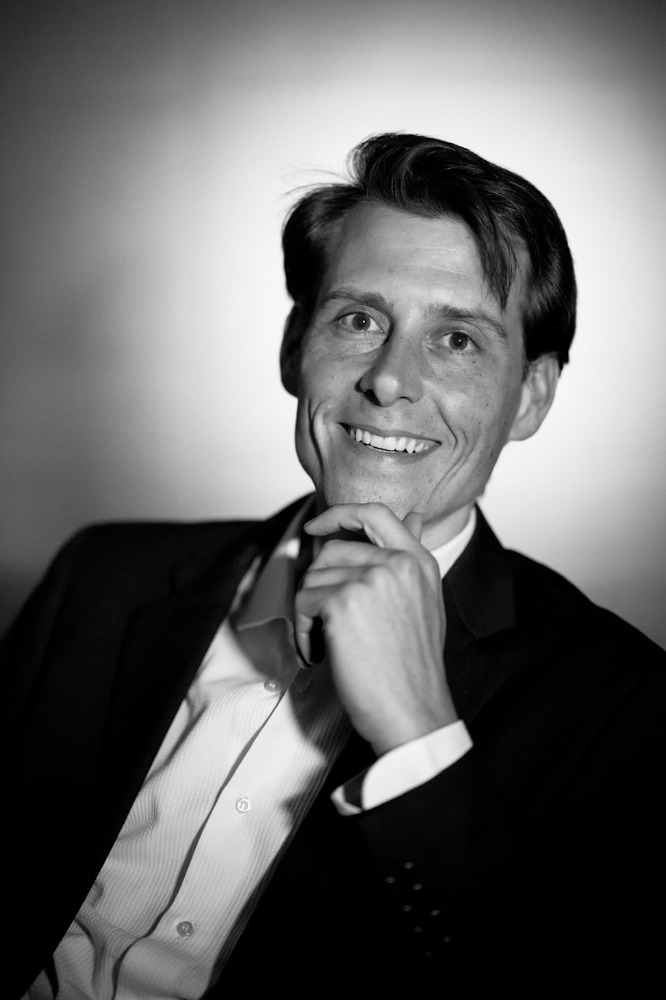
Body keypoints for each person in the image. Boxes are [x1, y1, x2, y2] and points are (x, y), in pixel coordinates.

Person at [6, 132, 665, 999]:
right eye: (359, 320)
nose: (390, 380)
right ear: (295, 346)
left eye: (457, 339)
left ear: (531, 397)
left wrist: (421, 735)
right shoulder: (101, 578)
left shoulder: (621, 703)